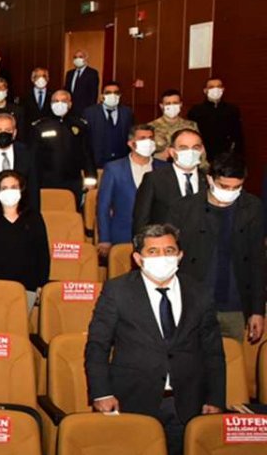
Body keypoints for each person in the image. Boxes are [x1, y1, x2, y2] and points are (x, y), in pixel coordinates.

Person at [85, 224, 225, 455]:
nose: (162, 257)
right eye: (153, 251)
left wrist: (215, 398)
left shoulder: (199, 292)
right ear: (138, 258)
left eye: (169, 250)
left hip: (186, 402)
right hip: (133, 399)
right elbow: (97, 346)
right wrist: (101, 393)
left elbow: (213, 351)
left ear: (180, 255)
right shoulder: (117, 291)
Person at [169, 153, 265, 341]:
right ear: (210, 179)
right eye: (224, 186)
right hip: (193, 304)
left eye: (237, 187)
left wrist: (257, 310)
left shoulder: (252, 207)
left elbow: (258, 261)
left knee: (232, 357)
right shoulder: (184, 208)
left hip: (235, 305)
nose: (230, 192)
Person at [0, 171, 50, 309]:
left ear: (21, 190)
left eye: (14, 187)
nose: (9, 191)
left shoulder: (34, 218)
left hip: (27, 288)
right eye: (4, 188)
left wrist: (41, 284)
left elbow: (42, 254)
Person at [95, 125, 165, 257]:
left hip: (156, 236)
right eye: (142, 138)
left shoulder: (164, 168)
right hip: (122, 234)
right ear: (131, 143)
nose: (148, 142)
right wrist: (104, 238)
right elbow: (103, 206)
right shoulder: (114, 168)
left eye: (151, 138)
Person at [132, 128, 207, 234]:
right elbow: (141, 220)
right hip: (165, 242)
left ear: (202, 150)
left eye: (195, 147)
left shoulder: (207, 180)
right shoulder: (154, 179)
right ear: (172, 152)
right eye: (183, 148)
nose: (190, 152)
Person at [31, 90, 94, 206]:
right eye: (56, 101)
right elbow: (34, 157)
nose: (59, 104)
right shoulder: (40, 126)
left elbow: (87, 154)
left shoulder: (79, 125)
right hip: (47, 181)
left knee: (73, 212)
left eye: (63, 101)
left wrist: (90, 179)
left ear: (70, 104)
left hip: (73, 181)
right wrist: (33, 183)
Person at [187, 78, 243, 159]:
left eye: (219, 86)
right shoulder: (196, 111)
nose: (215, 89)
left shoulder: (232, 110)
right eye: (211, 87)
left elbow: (238, 136)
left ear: (223, 89)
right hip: (203, 154)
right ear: (205, 90)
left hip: (226, 155)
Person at [84, 81, 135, 167]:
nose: (112, 95)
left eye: (116, 93)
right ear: (102, 96)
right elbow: (85, 141)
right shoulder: (89, 113)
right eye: (108, 93)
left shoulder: (127, 113)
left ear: (120, 95)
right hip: (97, 163)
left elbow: (131, 136)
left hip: (121, 162)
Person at [148, 89, 200, 155]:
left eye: (175, 103)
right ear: (161, 106)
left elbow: (199, 147)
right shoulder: (151, 127)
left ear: (180, 104)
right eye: (168, 103)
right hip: (160, 161)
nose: (172, 106)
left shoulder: (191, 126)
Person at [64, 49, 100, 116]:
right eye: (75, 57)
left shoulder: (92, 73)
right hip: (70, 110)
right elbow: (66, 91)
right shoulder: (69, 73)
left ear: (86, 59)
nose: (77, 59)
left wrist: (90, 111)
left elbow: (93, 94)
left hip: (85, 110)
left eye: (80, 57)